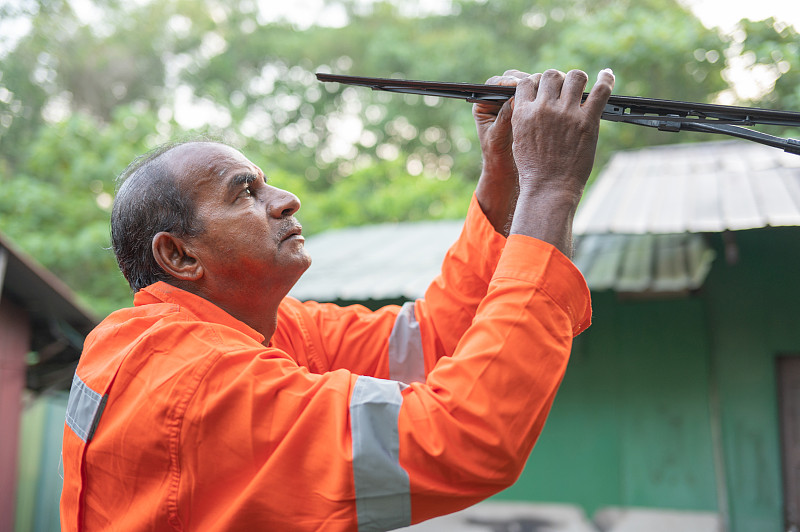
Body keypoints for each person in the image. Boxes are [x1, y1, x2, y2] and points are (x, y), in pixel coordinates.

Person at [61, 67, 614, 531]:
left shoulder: (257, 327)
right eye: (244, 192)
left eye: (266, 182)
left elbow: (432, 342)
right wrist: (550, 189)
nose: (287, 200)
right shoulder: (195, 380)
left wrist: (506, 178)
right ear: (179, 256)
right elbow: (463, 440)